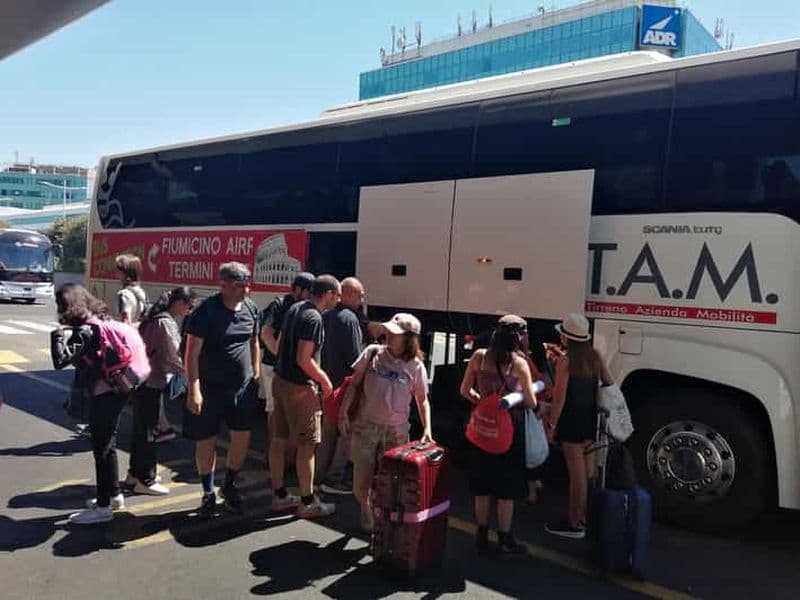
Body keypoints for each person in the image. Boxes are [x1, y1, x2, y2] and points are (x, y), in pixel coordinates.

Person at [50, 284, 142, 524]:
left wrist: (57, 335)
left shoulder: (85, 331)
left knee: (101, 448)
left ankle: (103, 507)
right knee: (107, 444)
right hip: (119, 387)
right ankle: (113, 495)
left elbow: (60, 360)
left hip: (103, 392)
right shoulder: (101, 320)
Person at [339, 312, 433, 533]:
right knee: (361, 478)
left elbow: (422, 399)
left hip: (397, 430)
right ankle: (365, 505)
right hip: (366, 425)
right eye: (389, 331)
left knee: (392, 481)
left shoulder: (416, 366)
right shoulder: (372, 354)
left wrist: (427, 428)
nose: (389, 335)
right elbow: (353, 385)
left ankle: (382, 515)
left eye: (396, 334)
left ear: (409, 339)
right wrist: (343, 412)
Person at [184, 263, 260, 517]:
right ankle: (207, 491)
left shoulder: (250, 308)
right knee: (207, 440)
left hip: (241, 389)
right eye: (240, 285)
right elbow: (191, 354)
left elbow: (254, 341)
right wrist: (194, 389)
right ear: (223, 285)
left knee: (242, 436)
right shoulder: (206, 312)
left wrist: (256, 372)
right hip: (210, 388)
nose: (246, 290)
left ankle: (229, 484)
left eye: (247, 284)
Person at [459, 314, 539, 555]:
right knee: (507, 489)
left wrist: (484, 404)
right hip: (509, 433)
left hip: (482, 430)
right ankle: (505, 539)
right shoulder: (520, 364)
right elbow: (531, 402)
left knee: (482, 485)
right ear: (519, 338)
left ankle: (481, 535)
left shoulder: (479, 357)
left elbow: (464, 390)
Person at [269, 274, 341, 519]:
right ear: (329, 294)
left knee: (278, 440)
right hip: (299, 388)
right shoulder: (313, 317)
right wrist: (324, 380)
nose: (338, 300)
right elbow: (304, 359)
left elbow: (280, 346)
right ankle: (308, 501)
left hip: (279, 381)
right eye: (337, 295)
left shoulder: (295, 308)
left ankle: (279, 495)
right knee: (307, 446)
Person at [544, 313, 613, 540]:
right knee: (589, 472)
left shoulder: (566, 361)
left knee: (576, 476)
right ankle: (587, 518)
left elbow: (560, 397)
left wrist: (552, 425)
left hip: (571, 420)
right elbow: (609, 384)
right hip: (590, 419)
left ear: (566, 337)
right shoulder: (595, 356)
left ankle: (575, 523)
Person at [125, 286, 196, 495]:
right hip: (152, 381)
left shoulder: (152, 317)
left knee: (140, 429)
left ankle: (134, 474)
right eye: (189, 306)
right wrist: (190, 374)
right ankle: (145, 479)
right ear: (180, 303)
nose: (189, 311)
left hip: (139, 379)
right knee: (148, 430)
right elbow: (174, 354)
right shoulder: (165, 322)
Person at [316, 277, 367, 495]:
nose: (362, 298)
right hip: (345, 386)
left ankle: (316, 477)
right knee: (346, 435)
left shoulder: (325, 316)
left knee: (326, 436)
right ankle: (334, 478)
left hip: (327, 383)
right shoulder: (350, 319)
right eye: (359, 294)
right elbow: (356, 358)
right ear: (346, 294)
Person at [258, 272, 315, 452]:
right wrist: (281, 354)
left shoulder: (305, 307)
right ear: (297, 289)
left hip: (288, 367)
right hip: (273, 366)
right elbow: (266, 333)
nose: (310, 295)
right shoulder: (280, 304)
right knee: (274, 409)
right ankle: (274, 451)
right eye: (308, 291)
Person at [115, 254, 148, 324]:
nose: (116, 273)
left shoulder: (124, 294)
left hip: (128, 333)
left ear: (125, 273)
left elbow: (125, 320)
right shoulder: (141, 292)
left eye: (119, 270)